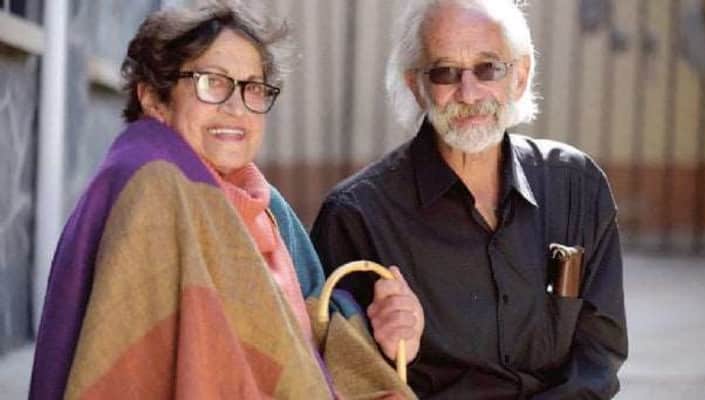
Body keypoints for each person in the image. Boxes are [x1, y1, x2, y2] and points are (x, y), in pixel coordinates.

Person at [29, 2, 422, 399]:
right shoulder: (153, 185)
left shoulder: (266, 206)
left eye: (253, 88)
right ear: (153, 98)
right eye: (212, 82)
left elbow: (308, 332)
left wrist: (383, 325)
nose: (236, 108)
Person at [311, 0, 628, 398]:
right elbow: (330, 373)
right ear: (416, 86)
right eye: (445, 72)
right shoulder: (357, 216)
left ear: (520, 75)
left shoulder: (577, 186)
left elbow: (598, 358)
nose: (469, 92)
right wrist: (389, 353)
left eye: (488, 68)